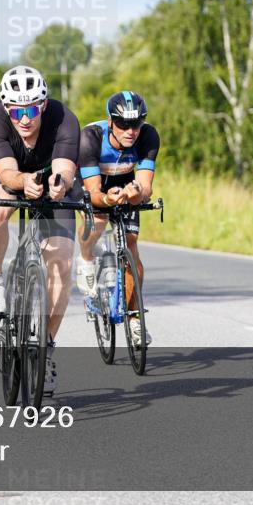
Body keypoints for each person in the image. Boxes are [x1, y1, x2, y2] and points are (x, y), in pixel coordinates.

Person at [0, 66, 80, 393]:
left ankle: (46, 346)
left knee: (63, 263)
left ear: (44, 106)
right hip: (7, 175)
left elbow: (65, 167)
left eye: (32, 109)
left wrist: (59, 183)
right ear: (7, 110)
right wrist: (24, 181)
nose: (25, 118)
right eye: (17, 111)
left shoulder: (64, 119)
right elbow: (7, 172)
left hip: (51, 182)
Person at [75, 91, 159, 347]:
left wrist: (135, 195)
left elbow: (145, 188)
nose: (130, 130)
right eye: (123, 124)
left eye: (136, 123)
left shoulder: (148, 136)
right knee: (98, 222)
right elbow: (93, 191)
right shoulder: (90, 138)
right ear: (110, 121)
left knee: (131, 244)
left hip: (125, 181)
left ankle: (134, 319)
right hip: (93, 183)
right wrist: (108, 200)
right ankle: (87, 259)